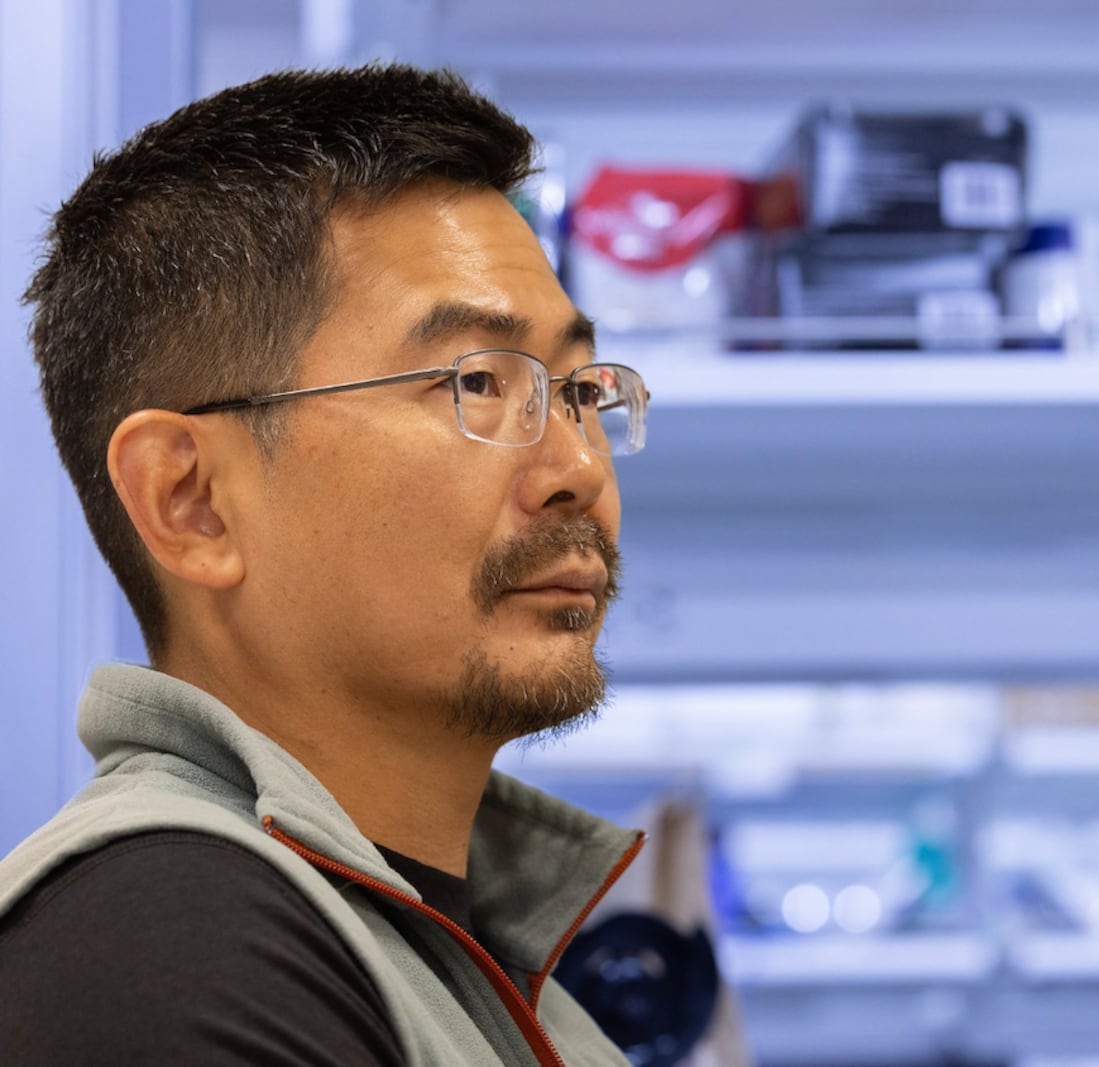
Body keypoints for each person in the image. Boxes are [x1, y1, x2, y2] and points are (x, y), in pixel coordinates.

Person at [0, 64, 651, 1066]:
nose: (577, 469)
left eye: (578, 392)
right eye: (477, 381)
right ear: (191, 500)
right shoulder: (171, 951)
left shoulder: (464, 966)